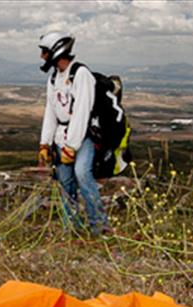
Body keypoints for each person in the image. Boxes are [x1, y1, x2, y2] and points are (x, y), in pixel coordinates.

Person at [37, 31, 108, 234]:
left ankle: (99, 225)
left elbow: (82, 111)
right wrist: (45, 143)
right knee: (65, 181)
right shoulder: (54, 79)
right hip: (61, 136)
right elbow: (51, 112)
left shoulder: (80, 74)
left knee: (82, 173)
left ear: (56, 50)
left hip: (83, 135)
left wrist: (72, 146)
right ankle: (72, 227)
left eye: (44, 51)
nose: (42, 56)